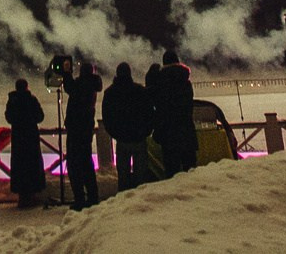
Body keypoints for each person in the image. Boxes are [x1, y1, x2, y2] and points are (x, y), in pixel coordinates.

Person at [102, 63, 151, 192]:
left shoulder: (110, 93)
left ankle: (124, 204)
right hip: (139, 138)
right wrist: (146, 131)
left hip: (122, 139)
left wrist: (115, 133)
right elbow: (149, 113)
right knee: (141, 179)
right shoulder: (140, 90)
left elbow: (107, 117)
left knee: (123, 178)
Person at [64, 60, 102, 207]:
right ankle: (92, 197)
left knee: (74, 164)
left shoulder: (81, 85)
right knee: (86, 163)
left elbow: (70, 87)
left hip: (76, 129)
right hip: (86, 129)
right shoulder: (92, 85)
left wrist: (67, 73)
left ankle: (80, 198)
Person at [152, 51, 196, 176]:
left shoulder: (160, 83)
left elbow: (158, 105)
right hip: (186, 128)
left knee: (172, 169)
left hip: (168, 131)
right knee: (190, 168)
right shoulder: (185, 82)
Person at [4, 77, 45, 208]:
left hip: (17, 137)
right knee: (32, 165)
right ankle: (32, 195)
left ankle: (22, 197)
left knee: (19, 166)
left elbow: (9, 117)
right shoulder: (31, 100)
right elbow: (40, 116)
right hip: (31, 137)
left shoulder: (12, 101)